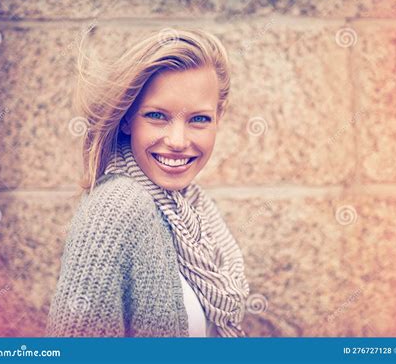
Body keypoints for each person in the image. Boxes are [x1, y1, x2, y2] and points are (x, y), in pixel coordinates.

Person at [45, 28, 250, 337]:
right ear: (127, 118)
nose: (178, 141)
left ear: (218, 118)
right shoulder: (117, 207)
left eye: (199, 119)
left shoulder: (192, 209)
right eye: (157, 115)